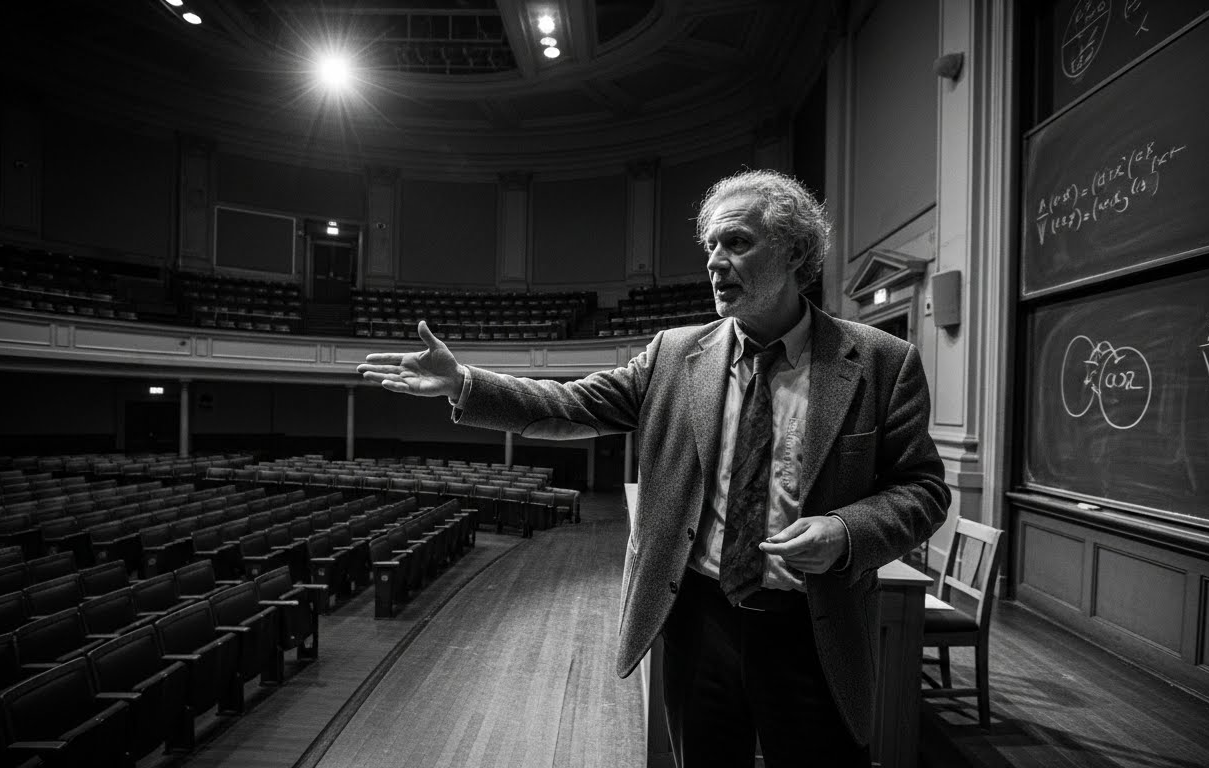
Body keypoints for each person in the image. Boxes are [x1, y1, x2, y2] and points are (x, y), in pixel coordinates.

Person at [357, 169, 949, 767]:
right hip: (699, 621)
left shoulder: (880, 362)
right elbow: (567, 405)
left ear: (795, 252)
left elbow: (922, 490)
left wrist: (846, 532)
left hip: (815, 628)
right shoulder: (672, 355)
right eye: (711, 246)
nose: (715, 263)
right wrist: (464, 383)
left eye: (737, 243)